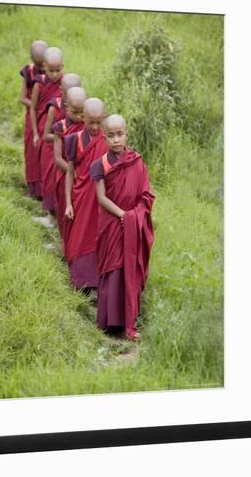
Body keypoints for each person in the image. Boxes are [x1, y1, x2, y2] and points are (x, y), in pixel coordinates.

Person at [90, 114, 155, 340]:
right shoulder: (100, 165)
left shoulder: (137, 162)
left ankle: (128, 318)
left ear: (126, 134)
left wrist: (133, 216)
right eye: (111, 136)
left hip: (131, 222)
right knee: (113, 267)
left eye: (120, 134)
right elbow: (101, 198)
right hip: (111, 222)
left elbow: (146, 194)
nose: (116, 140)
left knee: (129, 268)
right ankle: (110, 321)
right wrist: (122, 215)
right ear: (104, 137)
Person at [64, 98, 108, 289]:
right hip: (81, 196)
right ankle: (80, 281)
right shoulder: (74, 140)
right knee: (78, 238)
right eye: (91, 122)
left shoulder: (108, 140)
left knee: (96, 238)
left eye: (99, 122)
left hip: (100, 200)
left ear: (104, 119)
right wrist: (68, 203)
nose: (95, 127)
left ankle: (95, 282)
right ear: (84, 117)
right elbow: (69, 172)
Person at [41, 73, 82, 212]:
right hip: (62, 156)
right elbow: (46, 136)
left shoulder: (84, 111)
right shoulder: (55, 107)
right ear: (62, 92)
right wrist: (65, 139)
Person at [52, 86, 86, 250]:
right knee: (66, 212)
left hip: (84, 177)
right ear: (66, 107)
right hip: (65, 174)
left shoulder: (89, 124)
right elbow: (58, 159)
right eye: (75, 112)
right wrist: (74, 173)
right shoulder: (61, 127)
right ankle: (66, 246)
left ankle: (78, 246)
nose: (80, 117)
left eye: (82, 112)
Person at [29, 47, 63, 199]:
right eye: (51, 70)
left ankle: (56, 204)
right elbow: (33, 108)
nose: (55, 74)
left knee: (58, 169)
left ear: (62, 66)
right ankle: (47, 202)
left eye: (58, 70)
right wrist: (35, 133)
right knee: (47, 168)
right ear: (44, 67)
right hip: (45, 132)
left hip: (61, 132)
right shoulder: (40, 84)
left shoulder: (66, 82)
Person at [19, 40, 48, 198]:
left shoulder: (53, 70)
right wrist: (36, 106)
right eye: (39, 66)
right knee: (32, 152)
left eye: (44, 64)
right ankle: (34, 190)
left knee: (45, 152)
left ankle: (46, 189)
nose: (43, 68)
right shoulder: (29, 72)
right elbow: (23, 98)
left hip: (48, 116)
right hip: (33, 116)